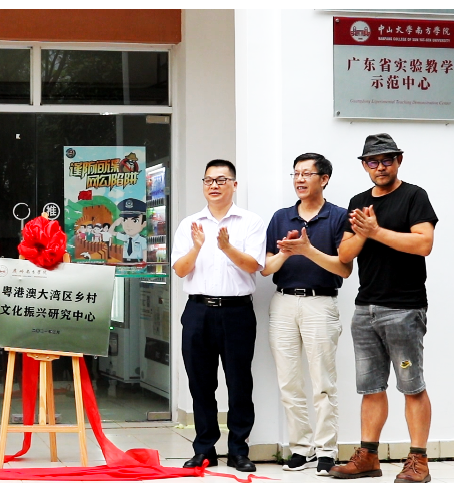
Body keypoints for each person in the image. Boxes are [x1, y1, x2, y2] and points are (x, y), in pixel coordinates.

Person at [330, 134, 437, 483]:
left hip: (404, 308)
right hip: (366, 309)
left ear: (398, 161)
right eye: (373, 161)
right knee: (371, 387)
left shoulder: (414, 196)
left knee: (411, 386)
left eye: (387, 160)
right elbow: (345, 255)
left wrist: (376, 231)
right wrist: (365, 232)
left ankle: (419, 461)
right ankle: (368, 457)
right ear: (364, 165)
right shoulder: (359, 202)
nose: (380, 167)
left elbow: (423, 244)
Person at [170, 159, 265, 472]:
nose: (214, 185)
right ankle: (204, 449)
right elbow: (180, 269)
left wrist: (226, 248)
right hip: (198, 311)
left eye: (221, 180)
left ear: (234, 185)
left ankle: (238, 450)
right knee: (200, 383)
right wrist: (197, 248)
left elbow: (254, 265)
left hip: (237, 312)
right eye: (209, 180)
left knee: (239, 383)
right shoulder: (189, 224)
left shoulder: (250, 222)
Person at [260, 153, 352, 475]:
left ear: (324, 179)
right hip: (283, 302)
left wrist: (309, 251)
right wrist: (287, 253)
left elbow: (344, 269)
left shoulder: (339, 216)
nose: (299, 179)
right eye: (296, 173)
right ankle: (301, 448)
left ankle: (327, 450)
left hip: (320, 303)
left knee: (323, 382)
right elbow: (266, 268)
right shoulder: (281, 217)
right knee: (289, 382)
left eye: (307, 174)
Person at [111, 198, 148, 263]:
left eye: (135, 221)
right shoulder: (125, 237)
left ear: (144, 224)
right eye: (125, 220)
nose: (128, 225)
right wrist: (115, 223)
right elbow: (110, 232)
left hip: (137, 262)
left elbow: (144, 252)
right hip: (124, 261)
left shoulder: (142, 239)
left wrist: (144, 262)